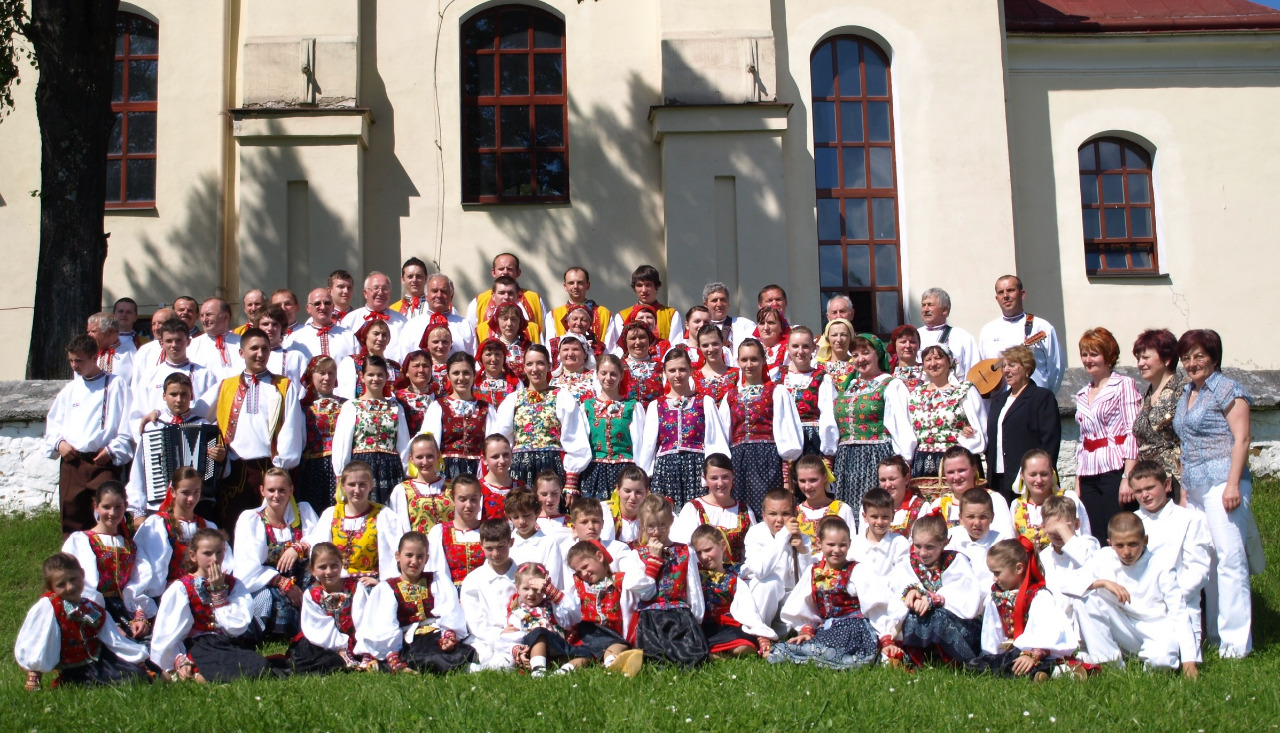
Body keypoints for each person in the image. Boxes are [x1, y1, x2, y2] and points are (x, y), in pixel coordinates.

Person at [1172, 328, 1260, 659]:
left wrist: (1233, 484)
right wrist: (1185, 493)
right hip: (1195, 485)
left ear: (1214, 357)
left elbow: (1242, 439)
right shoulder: (1188, 392)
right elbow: (1186, 444)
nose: (1192, 363)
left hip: (1223, 481)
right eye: (1186, 358)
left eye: (1199, 356)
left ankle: (1236, 645)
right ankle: (1211, 634)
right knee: (1202, 560)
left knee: (1230, 559)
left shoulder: (1228, 389)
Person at [199, 327, 305, 529]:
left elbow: (291, 428)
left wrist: (281, 466)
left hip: (270, 467)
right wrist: (159, 414)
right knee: (233, 527)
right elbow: (196, 413)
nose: (260, 354)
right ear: (241, 352)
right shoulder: (226, 386)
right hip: (234, 469)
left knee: (271, 528)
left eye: (265, 349)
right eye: (254, 348)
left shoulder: (283, 385)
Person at [149, 528, 279, 682]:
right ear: (193, 556)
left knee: (261, 666)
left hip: (226, 643)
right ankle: (196, 675)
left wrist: (219, 594)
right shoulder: (182, 588)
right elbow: (168, 633)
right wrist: (177, 658)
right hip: (197, 645)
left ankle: (203, 676)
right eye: (207, 554)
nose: (215, 559)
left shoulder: (234, 585)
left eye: (219, 552)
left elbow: (236, 627)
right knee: (220, 669)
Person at [1064, 513, 1182, 671]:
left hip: (1155, 628)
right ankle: (1109, 665)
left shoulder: (1161, 564)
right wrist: (1103, 583)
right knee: (1085, 599)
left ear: (1145, 540)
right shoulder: (1104, 556)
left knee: (1162, 664)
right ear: (1110, 543)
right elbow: (1067, 585)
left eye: (1133, 544)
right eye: (1120, 545)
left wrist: (1191, 660)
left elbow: (1179, 610)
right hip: (1122, 626)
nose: (1126, 552)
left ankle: (1149, 658)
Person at [768, 517, 890, 670]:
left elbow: (875, 606)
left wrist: (886, 639)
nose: (836, 550)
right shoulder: (813, 571)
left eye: (842, 545)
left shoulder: (856, 570)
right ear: (819, 543)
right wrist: (806, 630)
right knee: (785, 650)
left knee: (824, 649)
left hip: (853, 630)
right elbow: (804, 606)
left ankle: (843, 658)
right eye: (831, 545)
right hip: (826, 629)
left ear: (849, 544)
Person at [15, 553, 150, 690]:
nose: (70, 587)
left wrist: (139, 660)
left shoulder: (92, 607)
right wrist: (35, 674)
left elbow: (114, 639)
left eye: (73, 579)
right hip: (73, 667)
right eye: (61, 584)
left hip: (97, 661)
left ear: (82, 574)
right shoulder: (50, 606)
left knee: (137, 676)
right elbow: (38, 640)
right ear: (51, 588)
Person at [45, 335, 133, 535]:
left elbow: (127, 423)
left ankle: (112, 552)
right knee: (72, 515)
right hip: (74, 462)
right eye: (71, 360)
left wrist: (112, 450)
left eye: (79, 360)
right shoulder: (70, 390)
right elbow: (54, 423)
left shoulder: (116, 385)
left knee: (110, 515)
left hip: (102, 461)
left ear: (94, 357)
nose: (74, 365)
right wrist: (59, 443)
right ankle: (73, 553)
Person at [1130, 460, 1211, 676]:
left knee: (1165, 661)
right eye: (1138, 491)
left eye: (1150, 488)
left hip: (1179, 603)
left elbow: (1199, 570)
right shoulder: (1132, 521)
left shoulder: (1190, 519)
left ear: (1166, 485)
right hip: (1140, 605)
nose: (1145, 495)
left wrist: (1170, 597)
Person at [820, 333, 915, 515]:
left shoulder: (890, 385)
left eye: (865, 353)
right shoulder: (848, 386)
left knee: (874, 510)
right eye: (855, 355)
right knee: (847, 510)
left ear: (877, 354)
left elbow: (901, 425)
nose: (860, 359)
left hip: (876, 457)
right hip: (845, 460)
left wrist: (904, 462)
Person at [357, 531, 477, 674]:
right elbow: (384, 624)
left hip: (435, 634)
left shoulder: (437, 580)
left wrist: (449, 635)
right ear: (398, 556)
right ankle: (394, 665)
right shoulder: (388, 588)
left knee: (462, 651)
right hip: (409, 640)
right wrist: (392, 654)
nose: (414, 562)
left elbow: (449, 610)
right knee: (427, 658)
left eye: (420, 556)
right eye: (409, 555)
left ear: (427, 558)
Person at [966, 538, 1077, 680]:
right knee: (977, 665)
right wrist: (993, 656)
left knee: (1017, 664)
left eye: (997, 573)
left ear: (1018, 568)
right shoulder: (996, 597)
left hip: (1037, 652)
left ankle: (1056, 670)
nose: (994, 579)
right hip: (1011, 654)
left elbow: (1048, 631)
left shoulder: (1038, 596)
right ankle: (1039, 673)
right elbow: (992, 634)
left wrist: (1032, 654)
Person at [620, 495, 708, 668]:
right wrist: (653, 560)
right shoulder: (637, 555)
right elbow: (643, 592)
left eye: (662, 525)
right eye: (651, 526)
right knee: (655, 657)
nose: (657, 531)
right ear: (642, 525)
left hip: (680, 615)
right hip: (650, 617)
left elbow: (693, 588)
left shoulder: (685, 551)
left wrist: (696, 619)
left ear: (671, 522)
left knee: (690, 655)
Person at [637, 348, 731, 508]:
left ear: (690, 370)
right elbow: (648, 446)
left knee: (698, 513)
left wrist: (715, 474)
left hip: (696, 467)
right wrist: (644, 476)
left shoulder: (705, 402)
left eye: (682, 369)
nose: (677, 375)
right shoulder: (656, 405)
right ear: (665, 372)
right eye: (672, 370)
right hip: (666, 469)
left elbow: (716, 441)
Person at [720, 339, 803, 518]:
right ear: (738, 362)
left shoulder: (777, 391)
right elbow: (723, 436)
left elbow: (786, 431)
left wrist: (786, 474)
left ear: (763, 360)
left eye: (754, 359)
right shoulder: (730, 395)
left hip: (767, 459)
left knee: (768, 511)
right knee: (739, 512)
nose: (749, 365)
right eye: (744, 360)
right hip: (738, 461)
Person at [888, 514, 984, 667]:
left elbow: (965, 593)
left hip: (959, 626)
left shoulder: (956, 561)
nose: (922, 553)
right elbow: (898, 586)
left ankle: (959, 661)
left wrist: (934, 598)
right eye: (918, 546)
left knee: (937, 616)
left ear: (945, 542)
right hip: (925, 623)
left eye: (929, 547)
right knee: (913, 616)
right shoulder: (908, 562)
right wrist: (912, 593)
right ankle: (917, 661)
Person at [60, 482, 154, 636]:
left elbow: (138, 585)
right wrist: (103, 622)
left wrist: (140, 616)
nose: (112, 513)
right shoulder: (80, 541)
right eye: (106, 507)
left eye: (118, 507)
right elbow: (75, 586)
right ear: (96, 506)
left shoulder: (131, 546)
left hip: (123, 612)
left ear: (126, 506)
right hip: (91, 611)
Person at [233, 468, 317, 639]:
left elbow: (321, 541)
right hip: (269, 585)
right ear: (262, 490)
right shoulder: (251, 519)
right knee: (264, 598)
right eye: (271, 490)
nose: (276, 495)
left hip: (302, 580)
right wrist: (282, 582)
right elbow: (246, 569)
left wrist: (299, 547)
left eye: (282, 490)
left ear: (291, 490)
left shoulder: (303, 512)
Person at [1073, 327, 1141, 539]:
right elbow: (1083, 440)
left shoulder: (1123, 385)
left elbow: (1133, 432)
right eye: (1084, 354)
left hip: (1115, 468)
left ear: (1109, 356)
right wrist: (1078, 480)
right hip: (1089, 471)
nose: (1088, 360)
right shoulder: (1082, 394)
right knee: (1094, 532)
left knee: (1118, 529)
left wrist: (1127, 477)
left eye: (1094, 354)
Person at [495, 345, 592, 490]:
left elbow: (574, 436)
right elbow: (502, 438)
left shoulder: (561, 396)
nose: (534, 369)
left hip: (551, 468)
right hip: (520, 469)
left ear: (549, 366)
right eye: (529, 364)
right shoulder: (513, 399)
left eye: (540, 363)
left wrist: (571, 480)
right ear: (524, 367)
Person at [129, 373, 224, 519]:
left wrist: (220, 459)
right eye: (173, 394)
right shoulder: (154, 427)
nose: (179, 400)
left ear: (192, 396)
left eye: (184, 394)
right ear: (164, 396)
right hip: (160, 502)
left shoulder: (204, 426)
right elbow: (139, 471)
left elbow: (220, 473)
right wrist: (138, 511)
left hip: (197, 504)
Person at [984, 345, 1061, 504]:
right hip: (998, 478)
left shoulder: (1041, 397)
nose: (1006, 370)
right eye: (1004, 366)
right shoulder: (999, 401)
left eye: (1012, 365)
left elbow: (1050, 441)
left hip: (1028, 479)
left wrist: (1040, 474)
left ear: (1027, 368)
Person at [331, 355, 410, 505]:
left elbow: (403, 444)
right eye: (371, 374)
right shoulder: (352, 406)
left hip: (390, 466)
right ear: (362, 376)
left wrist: (407, 471)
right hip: (362, 465)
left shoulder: (395, 407)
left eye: (380, 375)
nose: (375, 379)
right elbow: (343, 442)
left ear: (386, 377)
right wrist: (341, 473)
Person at [303, 460, 400, 581]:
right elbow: (319, 549)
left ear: (371, 485)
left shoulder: (384, 515)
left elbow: (394, 555)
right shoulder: (331, 514)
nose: (357, 490)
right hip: (335, 582)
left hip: (369, 583)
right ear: (343, 486)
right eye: (352, 485)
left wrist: (381, 583)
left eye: (362, 484)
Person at [690, 525, 776, 660]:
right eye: (699, 552)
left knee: (744, 647)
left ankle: (717, 655)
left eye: (708, 550)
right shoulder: (695, 575)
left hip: (730, 624)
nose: (704, 556)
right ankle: (714, 654)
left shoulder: (735, 573)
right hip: (706, 625)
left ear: (722, 546)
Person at [289, 542, 374, 674]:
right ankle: (341, 656)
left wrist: (363, 646)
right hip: (327, 642)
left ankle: (363, 654)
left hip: (355, 640)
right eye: (322, 567)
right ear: (312, 570)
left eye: (334, 565)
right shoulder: (312, 594)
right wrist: (341, 645)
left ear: (341, 564)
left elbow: (363, 618)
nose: (329, 571)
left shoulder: (355, 587)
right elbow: (318, 627)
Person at [564, 540, 645, 675]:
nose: (583, 574)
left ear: (600, 557)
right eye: (578, 572)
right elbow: (567, 605)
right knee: (582, 656)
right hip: (587, 633)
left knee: (616, 645)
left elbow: (632, 605)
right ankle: (563, 670)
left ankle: (611, 664)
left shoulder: (619, 581)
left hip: (614, 634)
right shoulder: (579, 586)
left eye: (585, 567)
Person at [978, 275, 1066, 396]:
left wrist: (1045, 397)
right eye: (1001, 292)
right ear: (997, 298)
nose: (1005, 296)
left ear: (1022, 294)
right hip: (1000, 402)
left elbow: (1056, 368)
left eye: (1010, 290)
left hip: (1034, 400)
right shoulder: (987, 330)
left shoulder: (1041, 327)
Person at [908, 344, 986, 478]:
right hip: (923, 461)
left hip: (957, 461)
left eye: (938, 358)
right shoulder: (916, 393)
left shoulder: (964, 390)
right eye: (928, 360)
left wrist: (968, 434)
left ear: (949, 361)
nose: (933, 363)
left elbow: (981, 427)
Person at [579, 354, 645, 500]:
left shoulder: (632, 406)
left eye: (613, 374)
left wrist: (642, 474)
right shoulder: (587, 407)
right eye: (604, 373)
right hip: (594, 471)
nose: (608, 378)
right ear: (597, 374)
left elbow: (640, 444)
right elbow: (580, 443)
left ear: (621, 376)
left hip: (625, 472)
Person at [1131, 328, 1186, 504]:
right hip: (1149, 480)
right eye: (1138, 358)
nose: (1140, 363)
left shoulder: (1183, 389)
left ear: (1167, 358)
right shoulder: (1146, 396)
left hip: (1177, 478)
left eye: (1146, 357)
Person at [500, 562, 582, 676]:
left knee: (585, 653)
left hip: (556, 649)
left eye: (536, 589)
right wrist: (519, 651)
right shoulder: (518, 613)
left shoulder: (553, 606)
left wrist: (552, 591)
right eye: (526, 589)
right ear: (517, 589)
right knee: (539, 633)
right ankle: (538, 670)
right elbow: (512, 639)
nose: (531, 594)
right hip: (531, 652)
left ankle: (560, 673)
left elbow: (573, 615)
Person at [129, 317, 219, 423]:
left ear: (189, 342)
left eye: (179, 340)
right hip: (158, 431)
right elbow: (137, 415)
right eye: (169, 341)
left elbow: (214, 413)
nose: (174, 345)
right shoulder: (150, 376)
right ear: (161, 343)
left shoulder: (205, 375)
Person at [670, 454, 756, 563]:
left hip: (739, 573)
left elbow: (753, 553)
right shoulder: (693, 509)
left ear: (733, 475)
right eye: (714, 478)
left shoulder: (745, 511)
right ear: (705, 478)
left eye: (725, 477)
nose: (720, 483)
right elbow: (682, 550)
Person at [459, 518, 521, 670]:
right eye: (489, 548)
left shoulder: (522, 576)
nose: (495, 553)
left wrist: (511, 632)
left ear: (511, 542)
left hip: (515, 635)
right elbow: (474, 618)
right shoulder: (473, 579)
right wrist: (497, 634)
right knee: (482, 655)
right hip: (483, 638)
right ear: (481, 545)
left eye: (501, 547)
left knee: (508, 660)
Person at [742, 487, 808, 623]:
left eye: (785, 514)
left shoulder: (802, 537)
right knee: (770, 583)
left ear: (795, 514)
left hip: (790, 600)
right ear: (764, 516)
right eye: (773, 514)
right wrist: (783, 535)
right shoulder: (755, 533)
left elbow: (805, 580)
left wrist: (802, 551)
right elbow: (761, 571)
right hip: (763, 600)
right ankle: (759, 630)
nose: (779, 520)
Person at [923, 447, 1014, 539]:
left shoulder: (994, 500)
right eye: (950, 472)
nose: (957, 477)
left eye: (961, 470)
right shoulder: (939, 504)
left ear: (974, 470)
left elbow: (1006, 538)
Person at [1011, 449, 1091, 551]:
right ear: (1022, 475)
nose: (1039, 480)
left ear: (1051, 473)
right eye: (1033, 474)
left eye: (1044, 474)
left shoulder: (1068, 498)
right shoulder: (1016, 506)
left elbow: (1084, 536)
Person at [297, 356, 344, 511]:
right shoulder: (303, 407)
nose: (327, 378)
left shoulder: (347, 404)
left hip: (341, 466)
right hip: (313, 468)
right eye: (322, 373)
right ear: (311, 375)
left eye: (331, 373)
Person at [464, 253, 548, 338]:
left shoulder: (534, 299)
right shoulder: (479, 301)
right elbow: (469, 335)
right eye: (501, 269)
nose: (505, 272)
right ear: (493, 272)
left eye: (509, 269)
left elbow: (545, 334)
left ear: (518, 272)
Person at [427, 475, 486, 589]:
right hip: (450, 594)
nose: (468, 505)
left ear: (480, 498)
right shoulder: (439, 532)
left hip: (483, 594)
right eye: (462, 499)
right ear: (453, 498)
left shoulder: (488, 531)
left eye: (474, 499)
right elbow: (435, 572)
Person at [398, 274, 475, 361]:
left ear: (451, 296)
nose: (439, 295)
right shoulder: (412, 326)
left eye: (443, 291)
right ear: (426, 296)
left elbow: (474, 361)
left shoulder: (465, 325)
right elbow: (403, 360)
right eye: (434, 291)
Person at [781, 326, 830, 459]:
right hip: (784, 440)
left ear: (813, 347)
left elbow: (828, 415)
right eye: (795, 346)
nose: (800, 351)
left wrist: (828, 451)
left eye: (806, 346)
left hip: (812, 440)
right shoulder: (778, 375)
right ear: (787, 347)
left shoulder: (821, 377)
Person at [389, 433, 451, 535]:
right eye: (419, 457)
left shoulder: (452, 487)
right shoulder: (402, 490)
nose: (425, 462)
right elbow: (399, 530)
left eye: (430, 456)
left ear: (438, 455)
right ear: (411, 459)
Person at [610, 265, 683, 346]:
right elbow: (619, 348)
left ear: (656, 286)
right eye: (639, 285)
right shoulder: (622, 316)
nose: (644, 290)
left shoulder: (671, 314)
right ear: (634, 288)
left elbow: (676, 346)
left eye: (648, 285)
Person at [340, 271, 408, 358]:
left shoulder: (401, 321)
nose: (380, 292)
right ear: (365, 293)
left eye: (385, 289)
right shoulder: (350, 320)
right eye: (375, 288)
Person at [946, 488, 1003, 591]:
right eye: (971, 517)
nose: (977, 523)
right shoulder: (951, 538)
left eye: (983, 517)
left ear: (992, 517)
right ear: (960, 517)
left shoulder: (1000, 541)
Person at [792, 453, 857, 543]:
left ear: (825, 477)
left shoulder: (842, 509)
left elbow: (852, 544)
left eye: (813, 480)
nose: (807, 487)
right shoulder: (794, 512)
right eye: (802, 481)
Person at [848, 488, 909, 577]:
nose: (880, 522)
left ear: (892, 516)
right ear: (865, 517)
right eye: (874, 517)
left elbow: (904, 575)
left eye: (885, 517)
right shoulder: (854, 544)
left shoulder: (899, 544)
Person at [918, 288, 979, 377]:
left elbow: (974, 373)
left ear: (945, 310)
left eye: (930, 305)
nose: (925, 309)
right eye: (923, 305)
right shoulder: (914, 337)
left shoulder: (962, 337)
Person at [287, 287, 357, 365]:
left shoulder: (349, 336)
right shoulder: (296, 339)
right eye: (317, 303)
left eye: (327, 303)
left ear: (333, 307)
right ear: (308, 308)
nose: (323, 307)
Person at [545, 266, 613, 345]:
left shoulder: (603, 313)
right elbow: (549, 348)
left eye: (580, 282)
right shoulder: (553, 315)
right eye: (571, 283)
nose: (575, 286)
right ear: (565, 287)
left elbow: (611, 347)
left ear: (588, 285)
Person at [337, 320, 401, 400]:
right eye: (376, 334)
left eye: (384, 335)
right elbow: (346, 397)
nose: (380, 338)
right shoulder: (351, 362)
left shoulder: (394, 367)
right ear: (365, 336)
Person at [188, 298, 242, 379]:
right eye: (202, 315)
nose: (204, 320)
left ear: (226, 317)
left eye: (209, 315)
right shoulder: (192, 345)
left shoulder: (243, 343)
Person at [618, 316, 665, 405]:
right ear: (625, 342)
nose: (638, 342)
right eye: (633, 338)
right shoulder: (619, 367)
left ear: (649, 339)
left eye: (642, 337)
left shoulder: (662, 368)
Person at [701, 282, 755, 356]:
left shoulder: (745, 325)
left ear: (728, 303)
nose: (719, 304)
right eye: (714, 300)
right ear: (705, 305)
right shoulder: (700, 327)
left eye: (723, 300)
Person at [258, 305, 308, 384]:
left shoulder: (296, 357)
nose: (270, 328)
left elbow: (305, 388)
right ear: (257, 327)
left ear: (282, 328)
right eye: (265, 324)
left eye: (275, 324)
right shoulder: (248, 358)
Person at [549, 303, 606, 370]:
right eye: (574, 319)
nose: (578, 323)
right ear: (568, 322)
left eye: (583, 320)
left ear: (589, 324)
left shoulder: (597, 346)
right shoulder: (555, 343)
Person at [604, 465, 649, 549]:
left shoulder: (655, 514)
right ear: (618, 489)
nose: (633, 497)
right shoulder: (603, 512)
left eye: (638, 492)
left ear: (647, 492)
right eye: (627, 491)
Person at [393, 350, 435, 436]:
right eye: (416, 366)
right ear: (407, 372)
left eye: (425, 366)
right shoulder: (397, 399)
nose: (421, 370)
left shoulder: (439, 398)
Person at [879, 455, 924, 537]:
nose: (887, 484)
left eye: (892, 479)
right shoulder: (870, 507)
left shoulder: (921, 507)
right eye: (883, 480)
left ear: (906, 479)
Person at [691, 324, 738, 402]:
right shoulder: (693, 377)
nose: (711, 349)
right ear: (699, 347)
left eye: (715, 344)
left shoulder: (737, 374)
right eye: (705, 345)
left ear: (722, 343)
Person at [478, 434, 520, 519]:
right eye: (495, 457)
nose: (502, 461)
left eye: (505, 455)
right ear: (484, 460)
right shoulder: (477, 489)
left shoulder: (522, 488)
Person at [88, 311, 136, 384]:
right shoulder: (87, 356)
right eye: (88, 332)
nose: (89, 335)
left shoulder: (131, 355)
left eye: (93, 331)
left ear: (110, 331)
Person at [473, 338, 522, 408]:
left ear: (504, 358)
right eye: (488, 354)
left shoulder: (516, 383)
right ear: (481, 358)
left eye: (497, 354)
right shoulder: (473, 383)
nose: (493, 359)